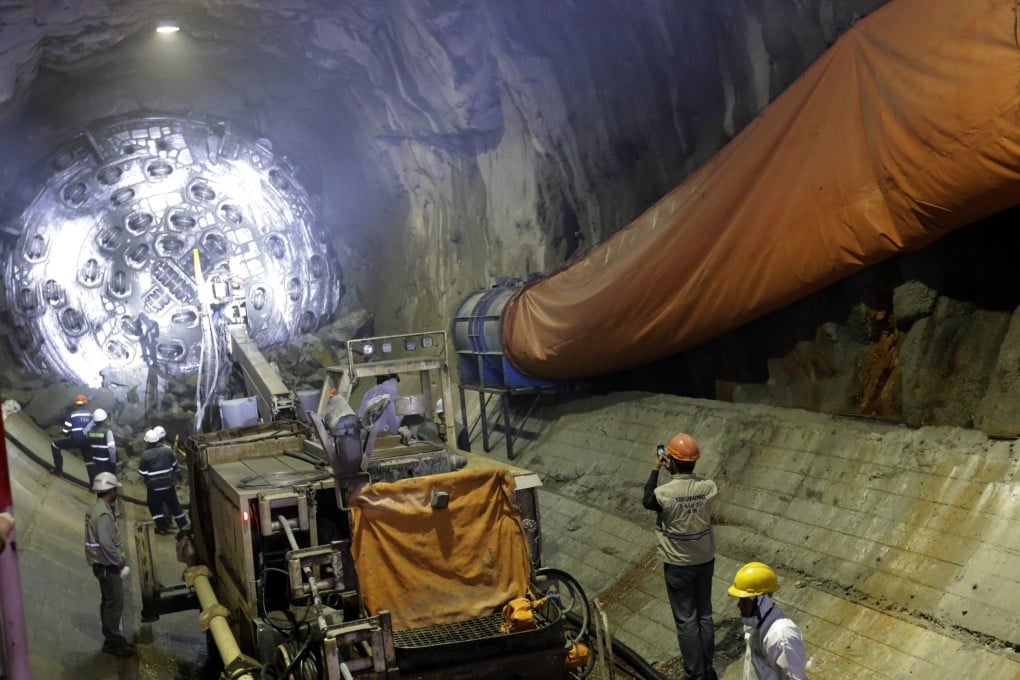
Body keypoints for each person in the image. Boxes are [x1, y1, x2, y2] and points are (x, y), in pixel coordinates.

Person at [642, 432, 718, 680]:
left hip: (678, 565)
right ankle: (708, 669)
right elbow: (687, 489)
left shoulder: (663, 493)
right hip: (705, 560)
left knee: (687, 620)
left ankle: (694, 675)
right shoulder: (708, 487)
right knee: (705, 614)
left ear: (670, 462)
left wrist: (656, 470)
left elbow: (648, 500)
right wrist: (676, 471)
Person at [728, 562, 808, 680]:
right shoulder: (756, 624)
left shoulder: (781, 636)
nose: (739, 605)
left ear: (760, 599)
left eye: (744, 600)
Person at [84, 471, 134, 657]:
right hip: (107, 566)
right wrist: (119, 561)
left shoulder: (95, 509)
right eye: (115, 489)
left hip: (100, 564)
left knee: (108, 601)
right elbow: (106, 543)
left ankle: (112, 636)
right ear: (111, 490)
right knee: (115, 603)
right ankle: (112, 642)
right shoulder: (103, 514)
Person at [138, 426, 189, 535]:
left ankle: (162, 528)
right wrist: (179, 478)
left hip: (154, 488)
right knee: (175, 505)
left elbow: (142, 473)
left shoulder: (145, 455)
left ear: (148, 442)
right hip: (168, 485)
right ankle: (183, 525)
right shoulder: (167, 450)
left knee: (154, 506)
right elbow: (175, 466)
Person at [49, 394, 92, 476]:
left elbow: (65, 431)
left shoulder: (72, 414)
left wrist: (68, 433)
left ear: (76, 404)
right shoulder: (91, 415)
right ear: (86, 403)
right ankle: (95, 484)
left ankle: (58, 470)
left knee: (55, 445)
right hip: (87, 441)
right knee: (90, 461)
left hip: (75, 440)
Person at [84, 408, 117, 485]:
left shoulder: (89, 431)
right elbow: (112, 448)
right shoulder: (108, 432)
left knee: (96, 478)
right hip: (105, 461)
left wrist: (93, 421)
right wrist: (113, 461)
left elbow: (85, 430)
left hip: (94, 459)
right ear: (105, 419)